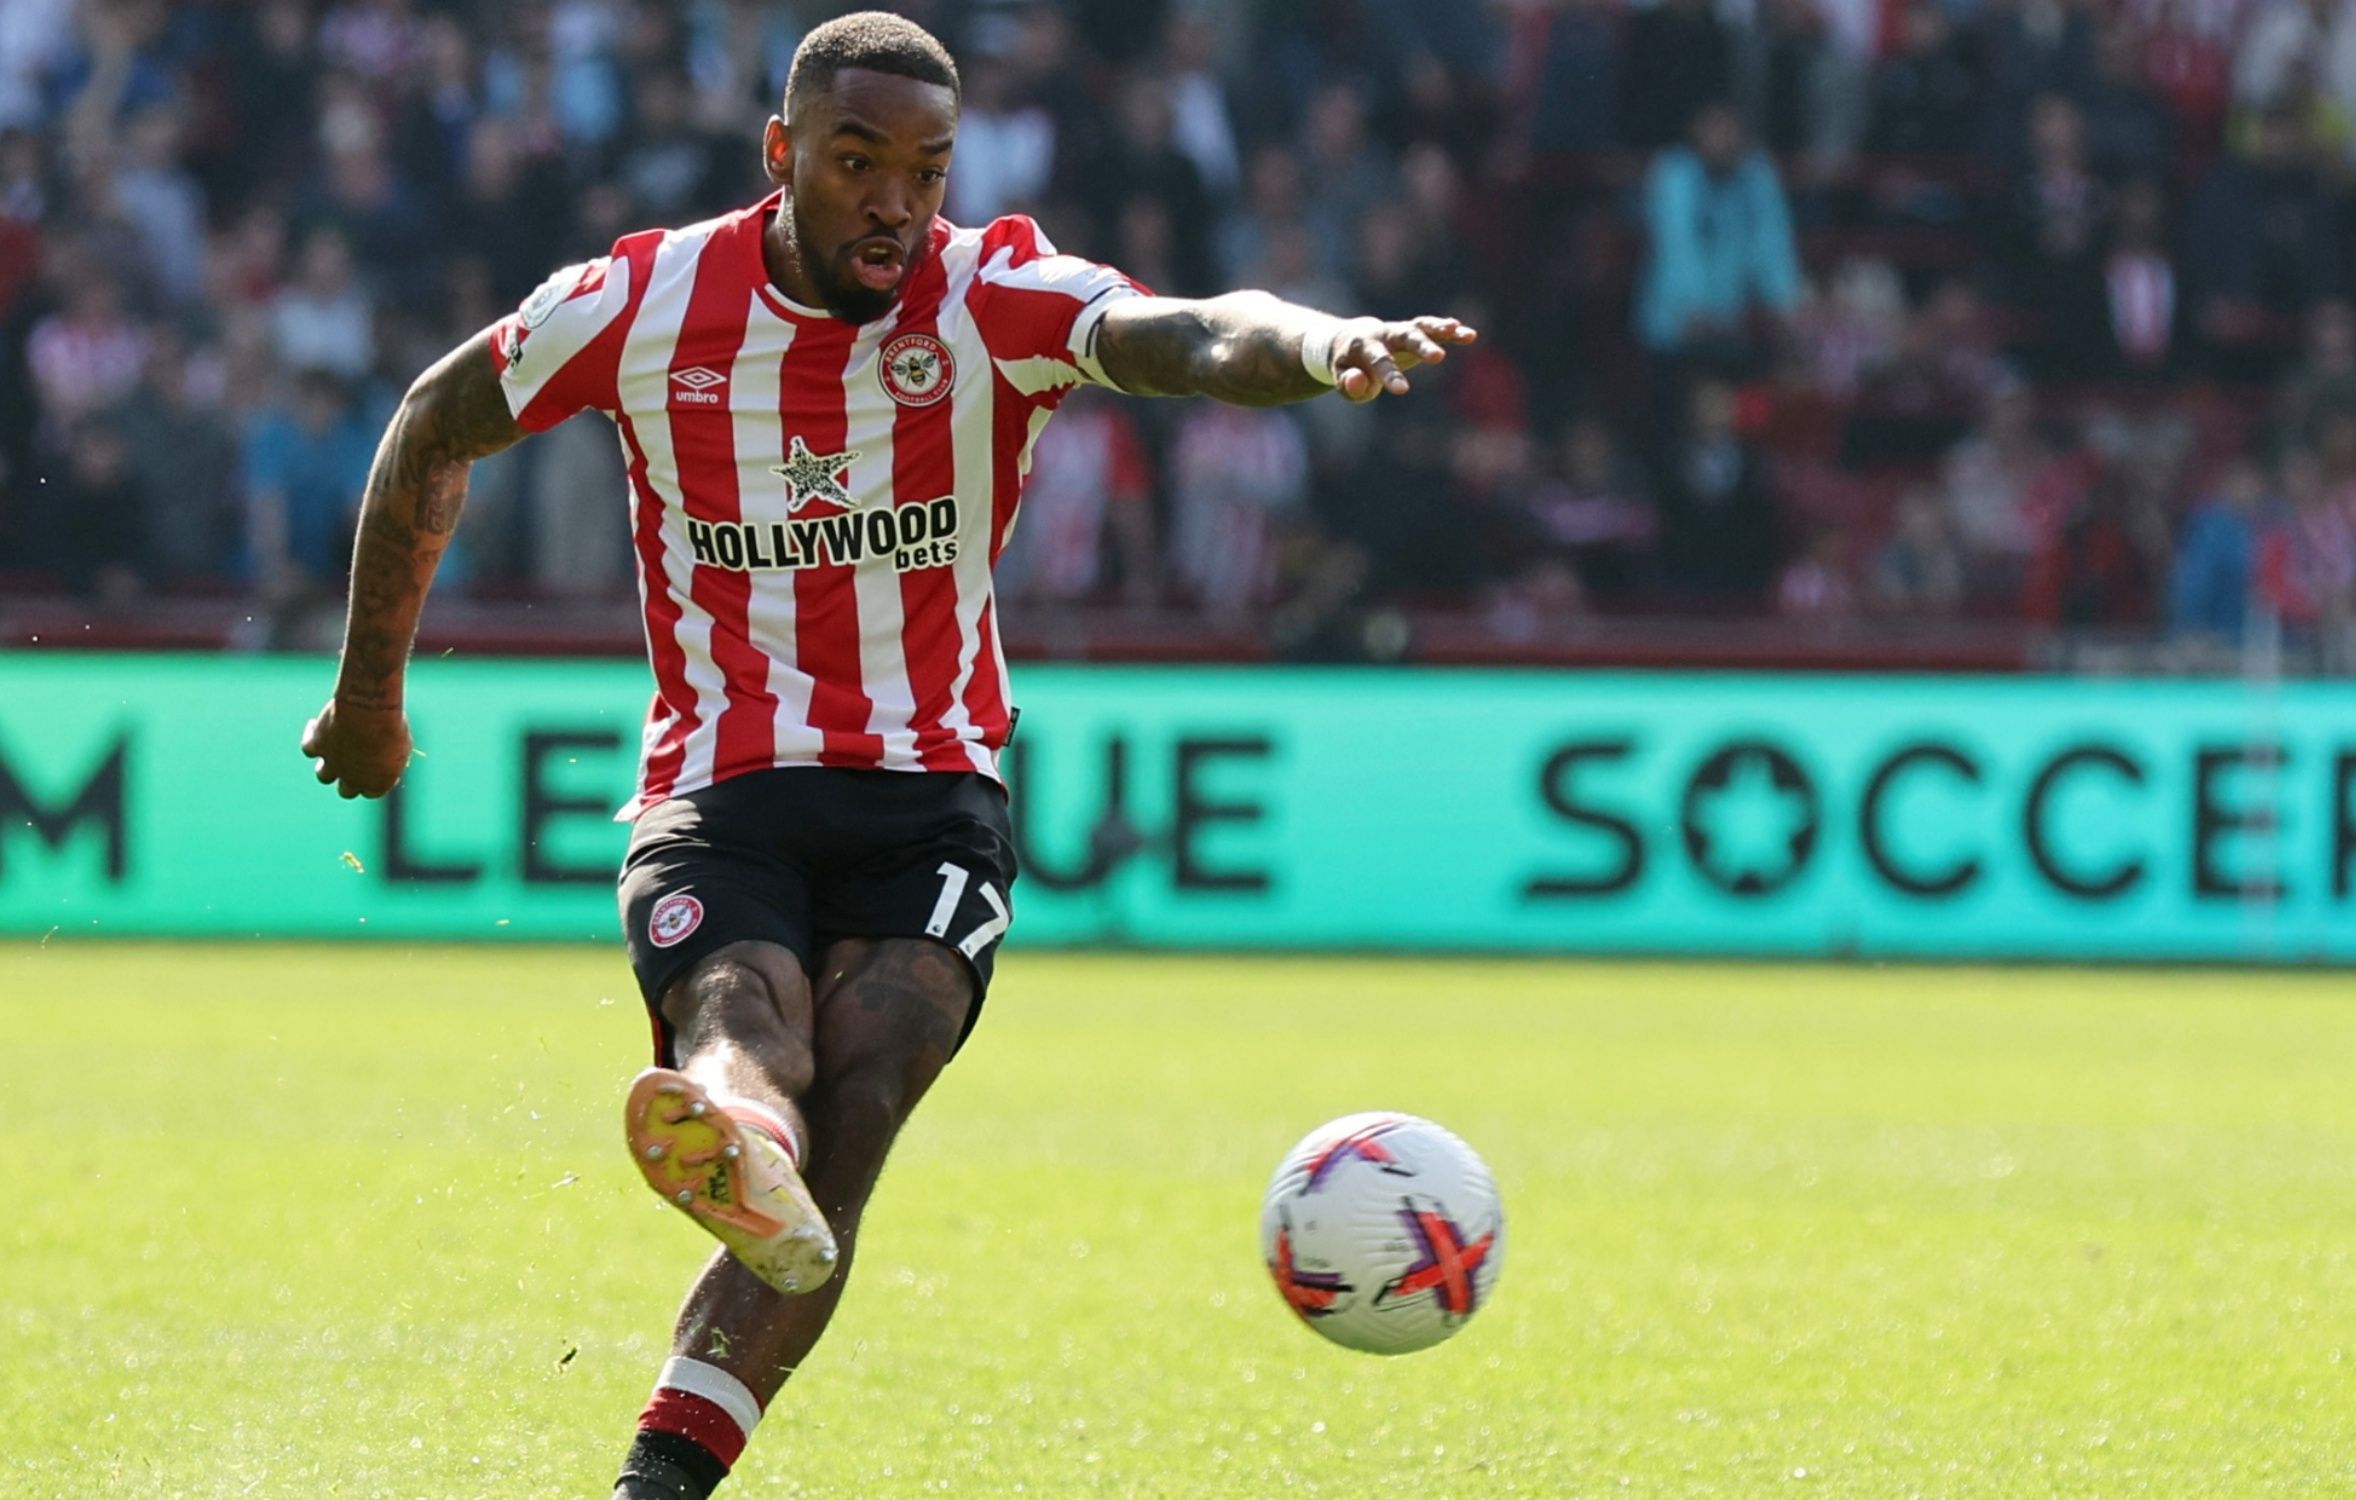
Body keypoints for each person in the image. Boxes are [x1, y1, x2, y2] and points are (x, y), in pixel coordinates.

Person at [294, 16, 1475, 1498]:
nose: (896, 203)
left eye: (925, 170)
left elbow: (1183, 334)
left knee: (870, 1072)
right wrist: (367, 696)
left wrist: (1319, 342)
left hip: (932, 798)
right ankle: (725, 1126)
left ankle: (695, 1333)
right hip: (720, 787)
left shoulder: (989, 295)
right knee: (745, 1014)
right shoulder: (648, 299)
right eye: (857, 164)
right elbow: (432, 418)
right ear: (783, 155)